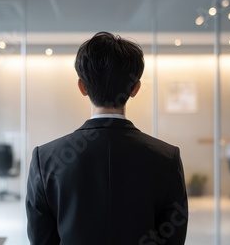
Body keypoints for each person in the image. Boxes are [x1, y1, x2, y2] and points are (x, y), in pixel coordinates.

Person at [26, 31, 188, 245]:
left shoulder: (45, 158)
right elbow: (172, 238)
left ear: (82, 87)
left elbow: (41, 239)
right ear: (135, 88)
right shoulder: (167, 157)